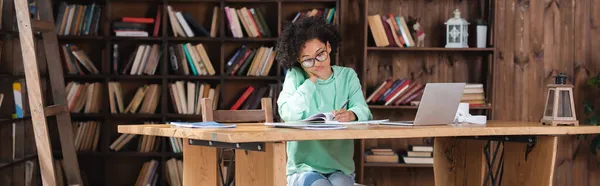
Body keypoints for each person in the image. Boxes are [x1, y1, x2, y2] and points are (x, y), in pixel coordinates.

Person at [275, 16, 372, 186]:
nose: (316, 63)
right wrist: (311, 82)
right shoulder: (296, 76)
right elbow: (287, 113)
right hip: (303, 168)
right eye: (307, 59)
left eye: (320, 54)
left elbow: (365, 112)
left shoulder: (347, 76)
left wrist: (352, 114)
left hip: (340, 168)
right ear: (299, 60)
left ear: (329, 47)